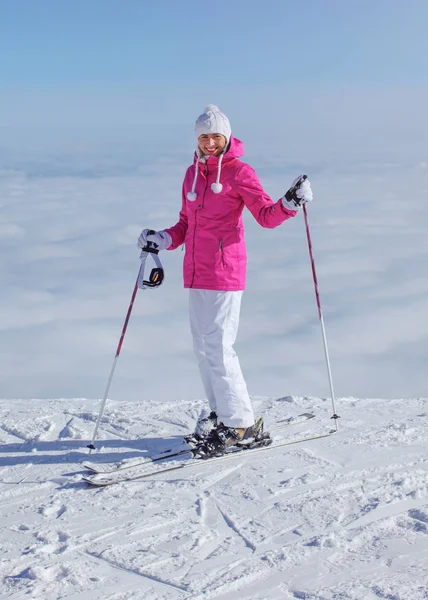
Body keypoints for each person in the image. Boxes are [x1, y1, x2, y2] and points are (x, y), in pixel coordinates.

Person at [138, 104, 313, 457]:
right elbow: (185, 225)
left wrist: (290, 203)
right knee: (203, 349)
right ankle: (222, 412)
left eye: (216, 136)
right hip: (196, 273)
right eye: (204, 137)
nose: (210, 143)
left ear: (227, 136)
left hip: (225, 271)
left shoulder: (239, 172)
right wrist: (162, 239)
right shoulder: (192, 174)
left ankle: (241, 424)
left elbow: (265, 215)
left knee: (219, 347)